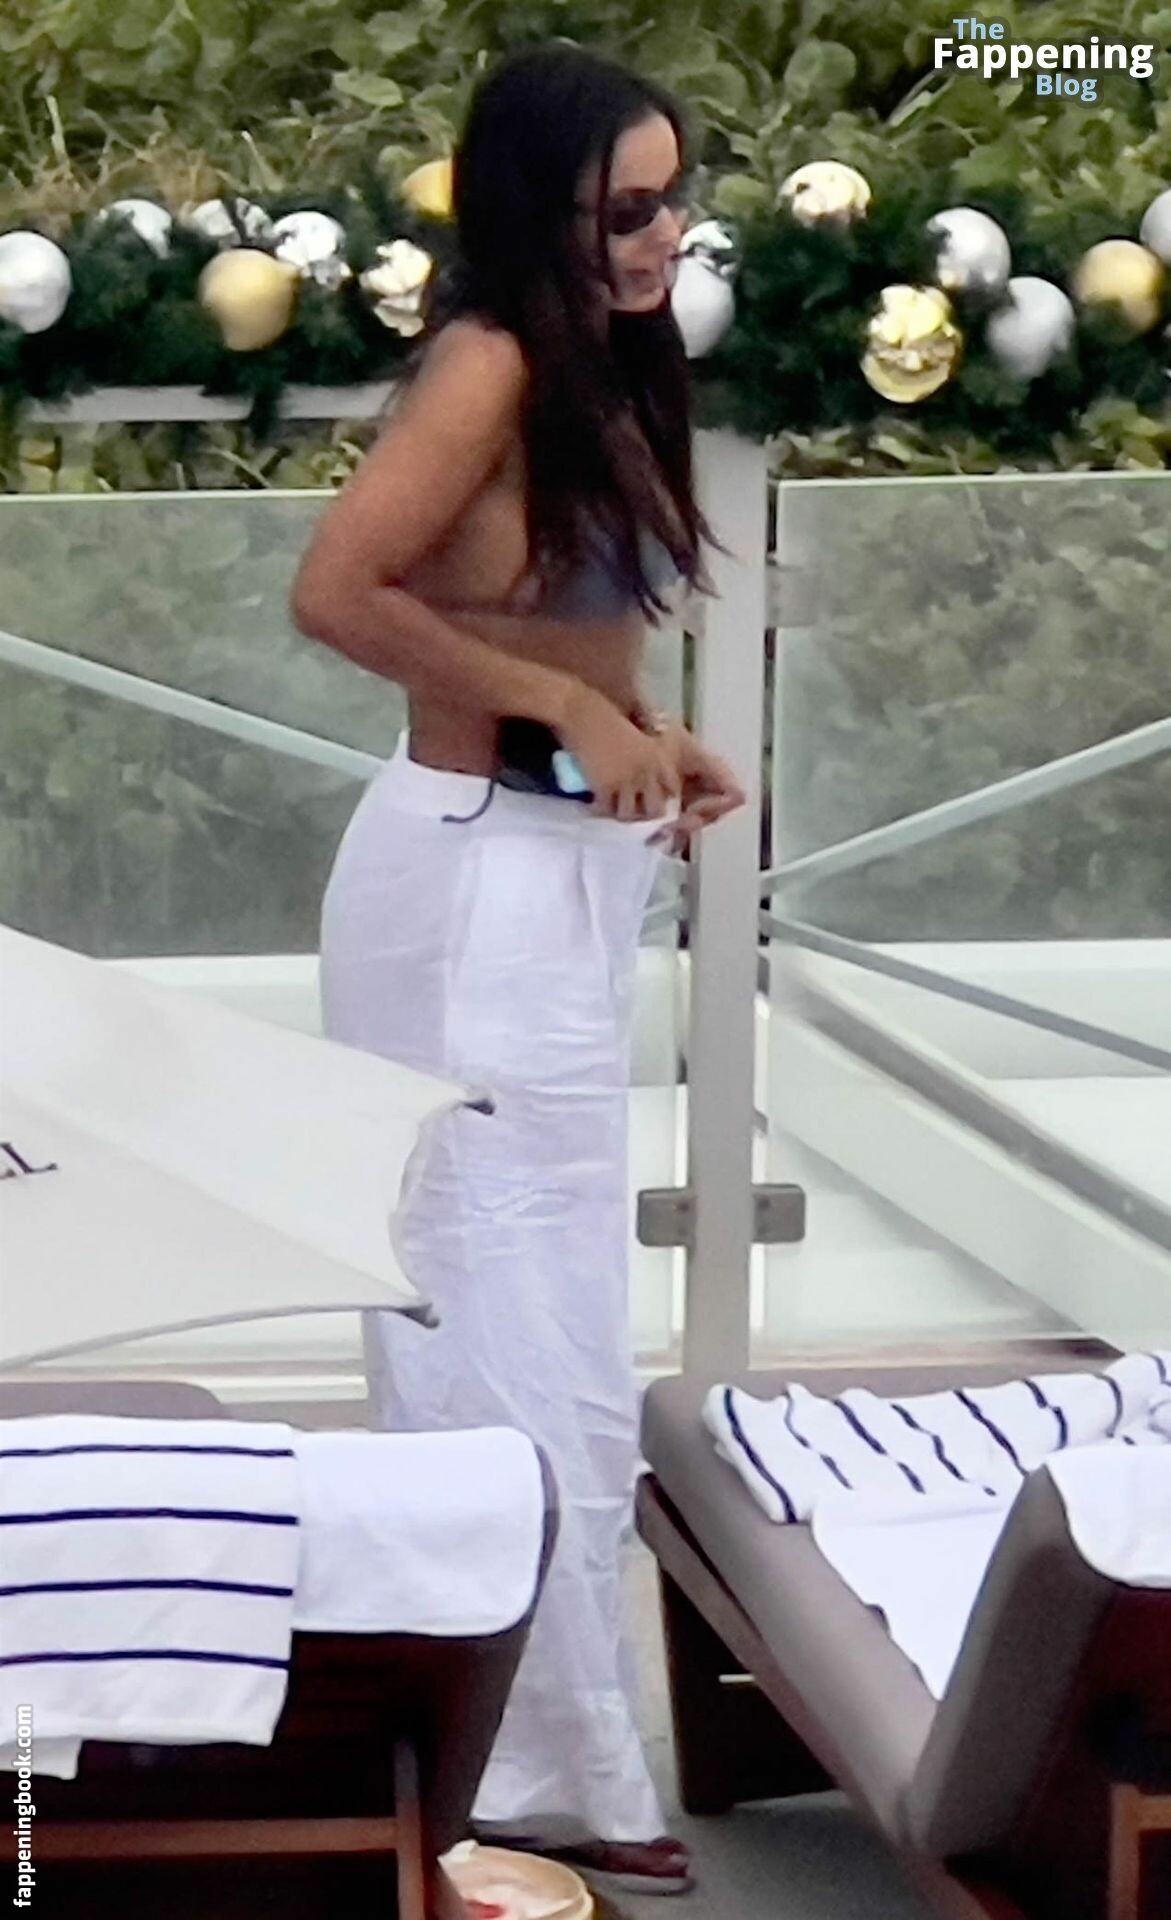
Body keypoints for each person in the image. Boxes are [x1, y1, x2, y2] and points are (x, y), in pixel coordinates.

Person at [292, 42, 744, 1898]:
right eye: (625, 205)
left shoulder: (603, 365)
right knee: (491, 1331)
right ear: (533, 208)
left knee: (562, 1326)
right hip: (467, 883)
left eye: (674, 195)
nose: (663, 232)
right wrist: (568, 711)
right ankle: (513, 1761)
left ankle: (544, 1749)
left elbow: (558, 617)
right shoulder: (485, 362)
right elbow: (340, 592)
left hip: (559, 875)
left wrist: (649, 734)